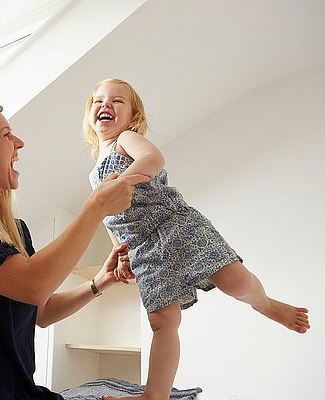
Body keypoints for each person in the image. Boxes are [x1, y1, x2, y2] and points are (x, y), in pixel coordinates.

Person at [0, 102, 150, 400]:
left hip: (17, 391)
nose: (19, 143)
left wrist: (100, 281)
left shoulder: (17, 231)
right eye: (6, 134)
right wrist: (95, 207)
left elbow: (41, 311)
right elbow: (33, 285)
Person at [83, 78, 311, 400]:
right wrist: (120, 252)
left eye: (117, 101)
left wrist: (126, 179)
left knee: (235, 281)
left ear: (133, 116)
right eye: (98, 101)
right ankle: (155, 395)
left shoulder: (126, 138)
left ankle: (267, 305)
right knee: (162, 321)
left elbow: (154, 159)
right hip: (144, 247)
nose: (106, 105)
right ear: (90, 115)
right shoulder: (94, 174)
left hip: (175, 224)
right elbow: (110, 216)